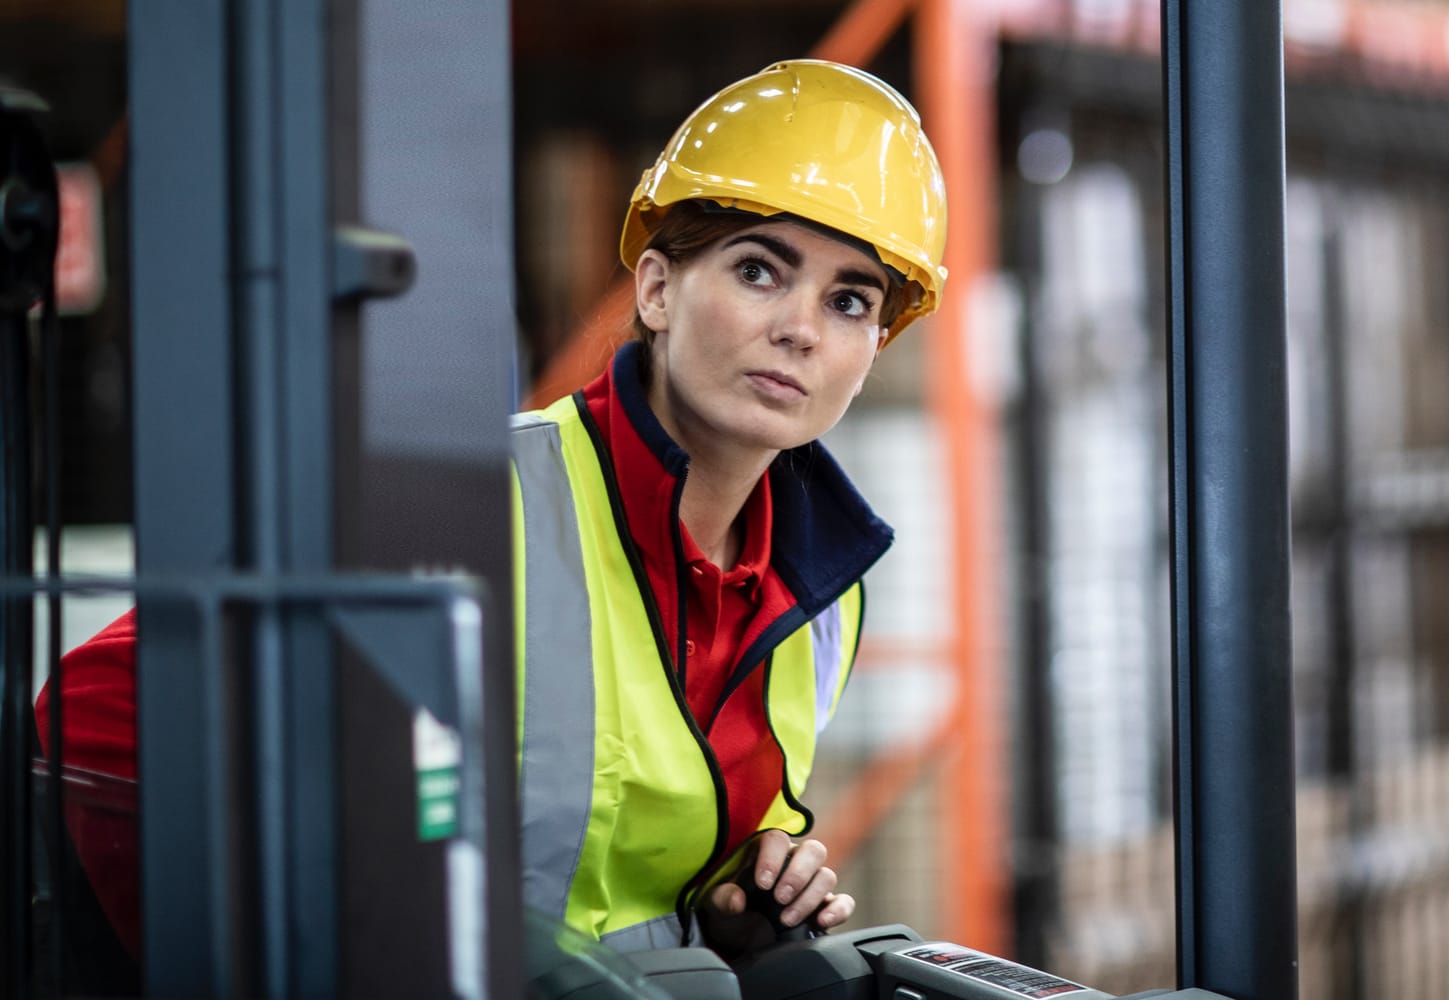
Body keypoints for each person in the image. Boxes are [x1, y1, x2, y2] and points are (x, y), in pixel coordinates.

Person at [34, 58, 948, 962]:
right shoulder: (476, 507)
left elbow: (638, 868)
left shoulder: (821, 591)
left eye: (849, 301)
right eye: (759, 270)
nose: (801, 327)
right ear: (658, 290)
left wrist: (740, 896)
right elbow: (95, 714)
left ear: (874, 348)